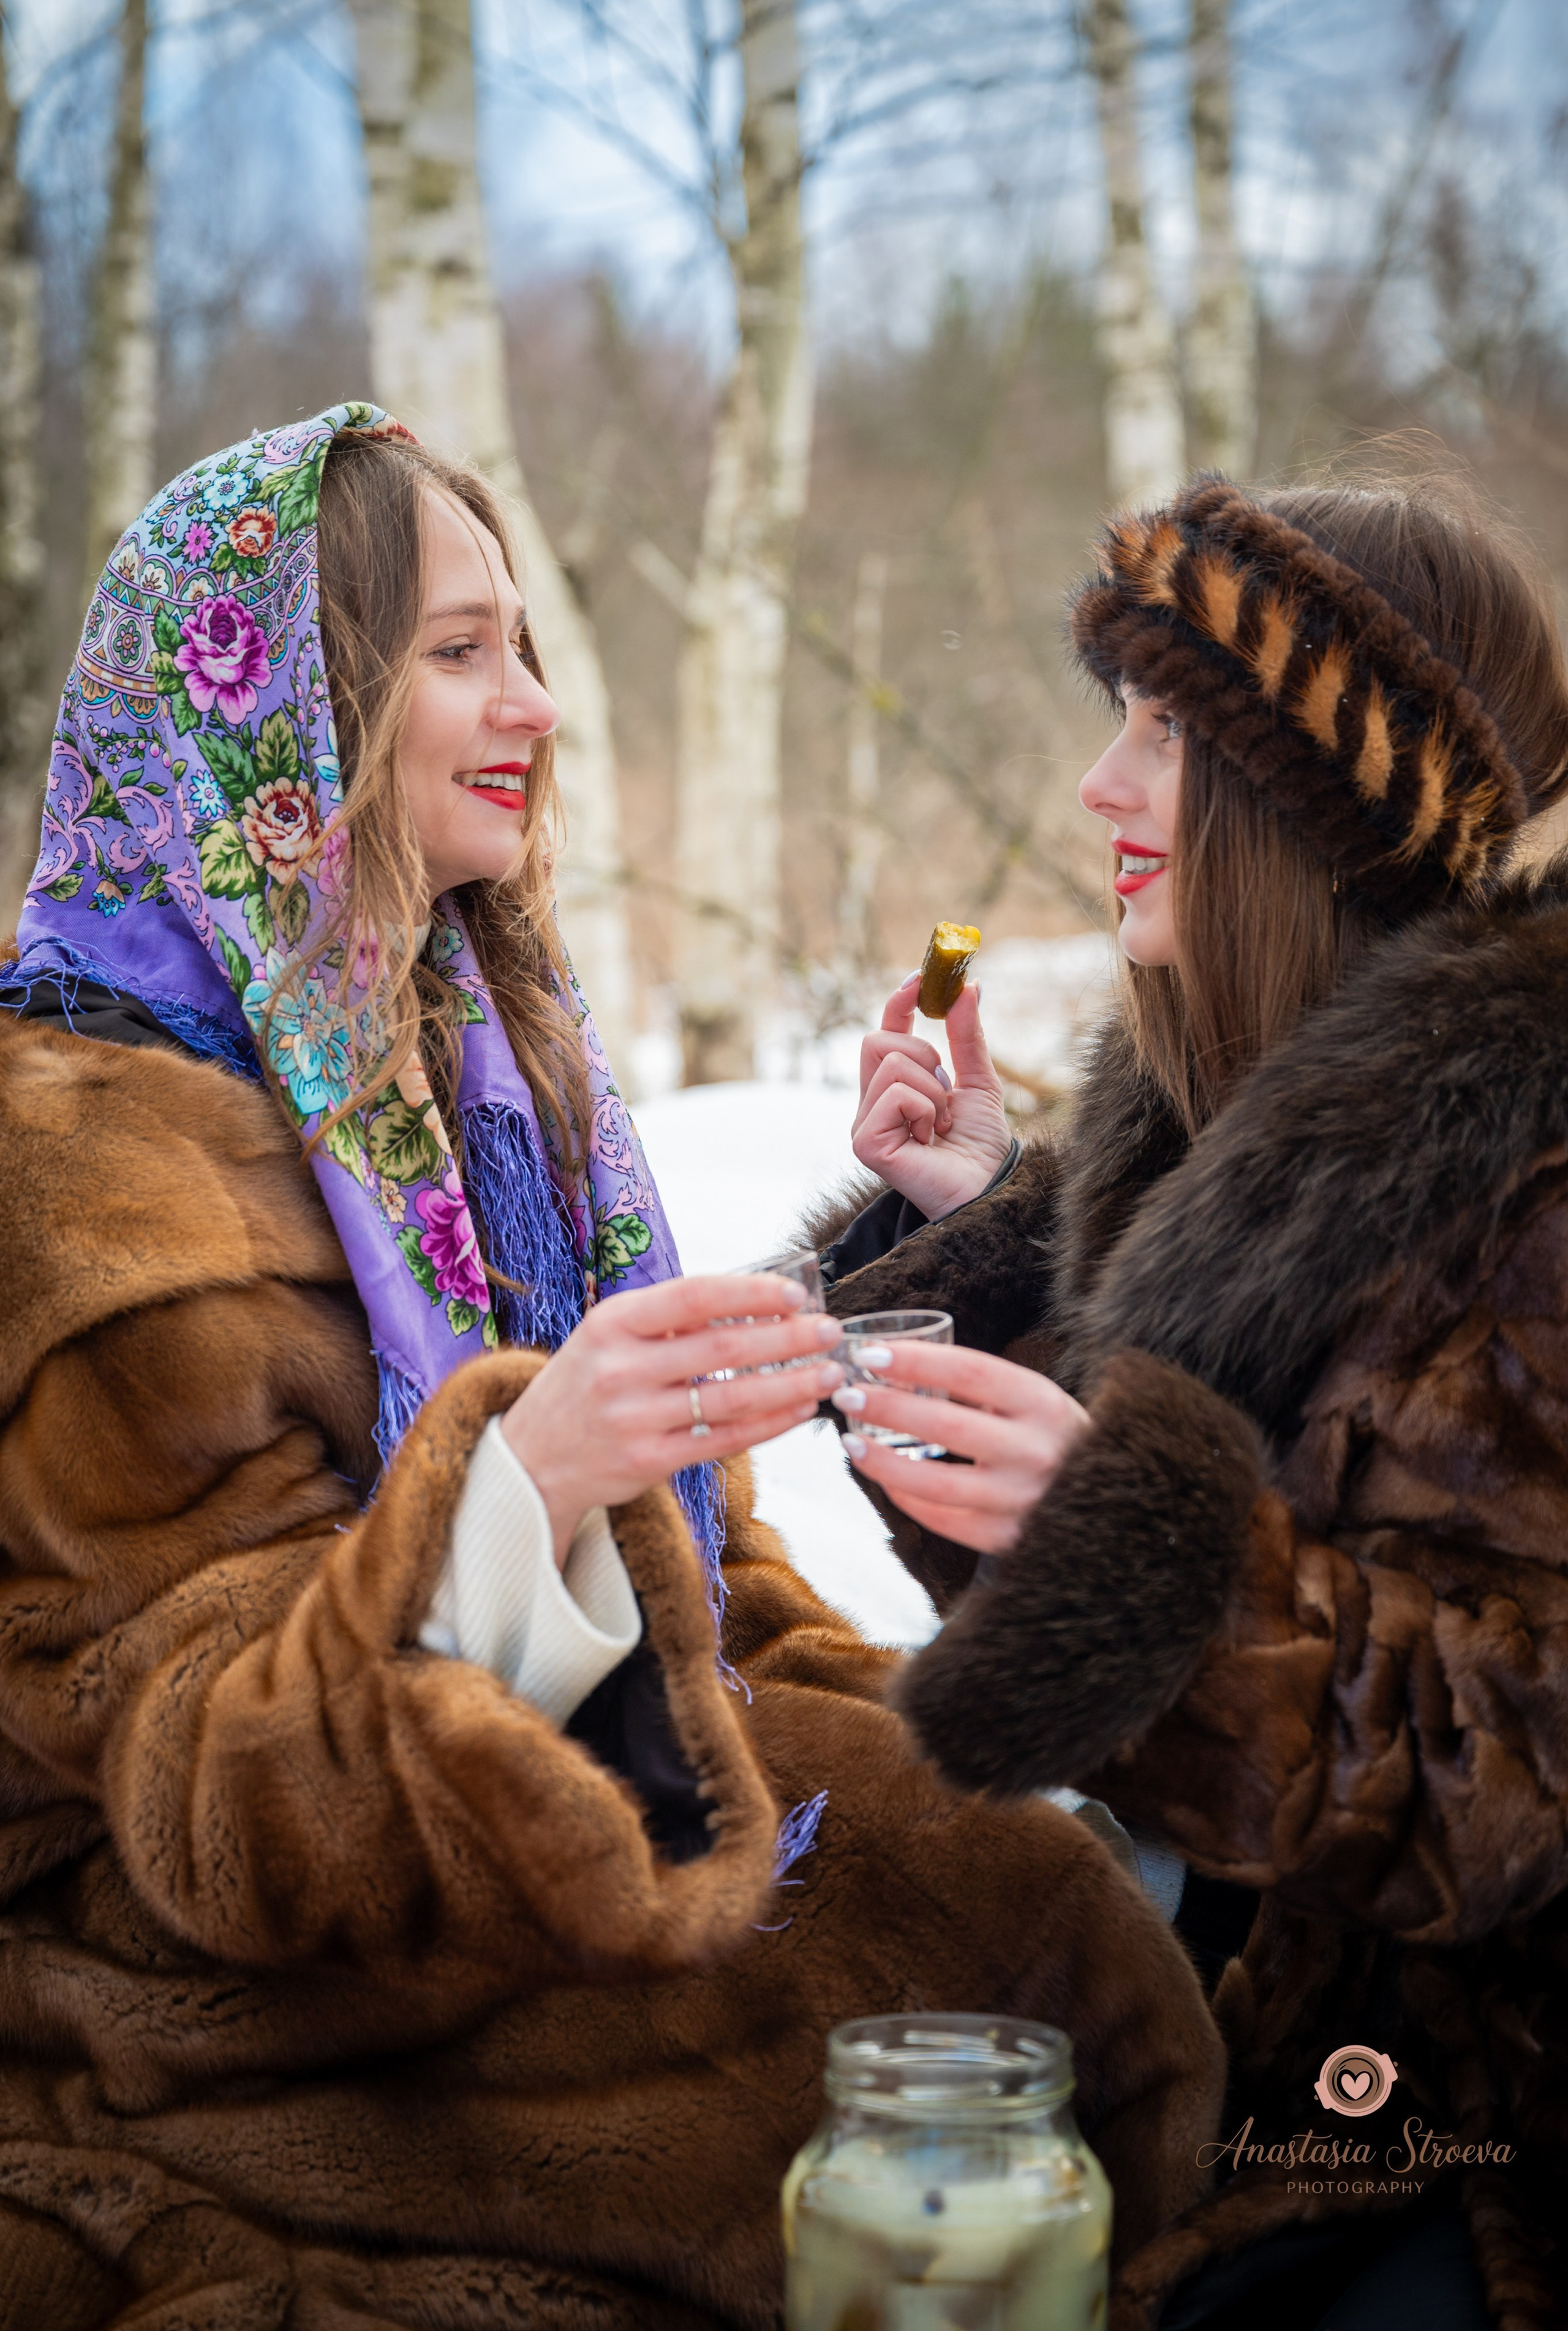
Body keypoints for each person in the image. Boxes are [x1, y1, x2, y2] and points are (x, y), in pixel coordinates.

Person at [0, 402, 1223, 2328]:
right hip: (256, 2004)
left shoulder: (488, 1067)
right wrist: (519, 1490)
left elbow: (709, 1583)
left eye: (530, 645)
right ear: (278, 715)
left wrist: (929, 1743)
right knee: (943, 2089)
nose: (539, 707)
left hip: (558, 1853)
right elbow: (205, 1809)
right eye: (460, 651)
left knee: (1041, 1908)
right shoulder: (86, 1167)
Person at [812, 465, 1568, 2330]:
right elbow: (1143, 1543)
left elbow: (1507, 1778)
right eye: (1119, 719)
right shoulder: (1209, 1133)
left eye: (1167, 734)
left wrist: (1150, 1557)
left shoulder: (1535, 1194)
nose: (1100, 786)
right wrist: (991, 1236)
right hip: (1256, 2011)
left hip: (1473, 2126)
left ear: (1320, 803)